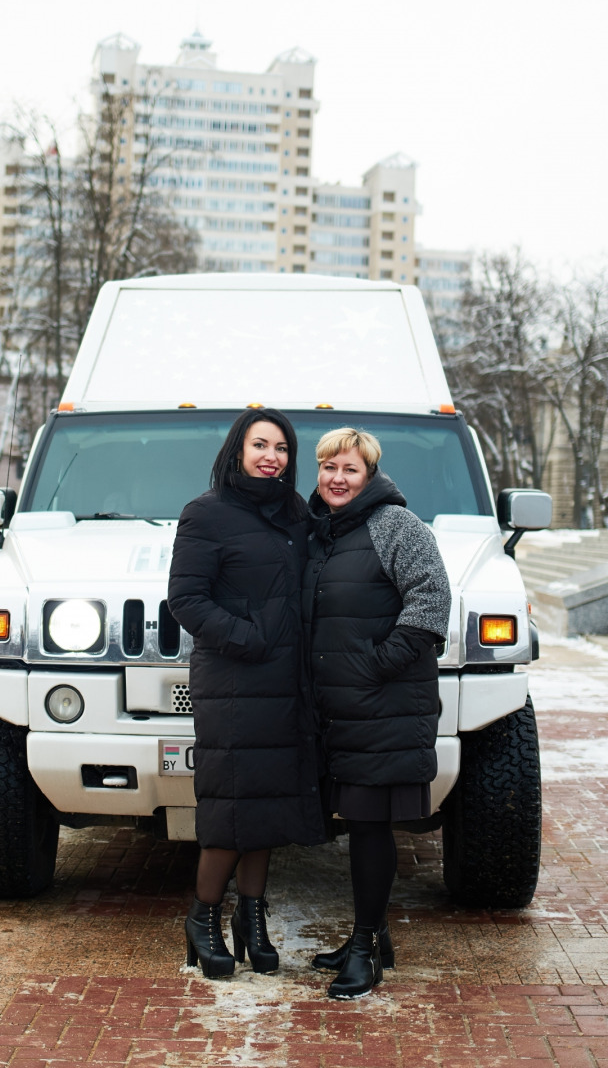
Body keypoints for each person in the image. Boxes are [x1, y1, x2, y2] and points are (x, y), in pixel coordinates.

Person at [167, 407, 324, 980]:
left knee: (269, 805)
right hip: (234, 680)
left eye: (281, 448)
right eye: (260, 445)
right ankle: (203, 917)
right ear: (238, 450)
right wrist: (248, 638)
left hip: (287, 684)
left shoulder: (296, 513)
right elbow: (185, 598)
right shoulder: (206, 514)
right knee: (232, 807)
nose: (271, 457)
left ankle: (252, 919)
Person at [302, 427, 451, 999]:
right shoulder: (321, 533)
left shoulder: (396, 526)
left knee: (369, 826)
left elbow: (432, 599)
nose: (336, 479)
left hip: (385, 705)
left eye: (350, 470)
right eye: (328, 467)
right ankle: (373, 933)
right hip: (340, 710)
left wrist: (375, 664)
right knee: (355, 821)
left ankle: (364, 950)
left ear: (370, 476)